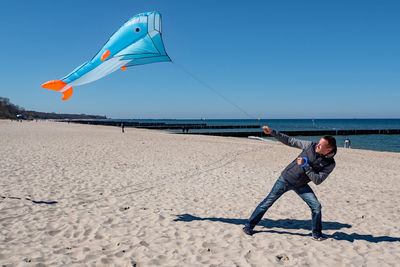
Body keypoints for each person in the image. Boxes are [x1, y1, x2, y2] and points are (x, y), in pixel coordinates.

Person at [243, 126, 337, 241]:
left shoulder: (330, 164)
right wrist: (272, 132)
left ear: (328, 150)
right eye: (318, 142)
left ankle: (317, 234)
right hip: (286, 179)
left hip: (301, 185)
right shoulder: (309, 146)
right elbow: (290, 141)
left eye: (320, 145)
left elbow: (317, 180)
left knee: (316, 206)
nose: (317, 145)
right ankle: (248, 226)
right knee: (267, 202)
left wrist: (306, 165)